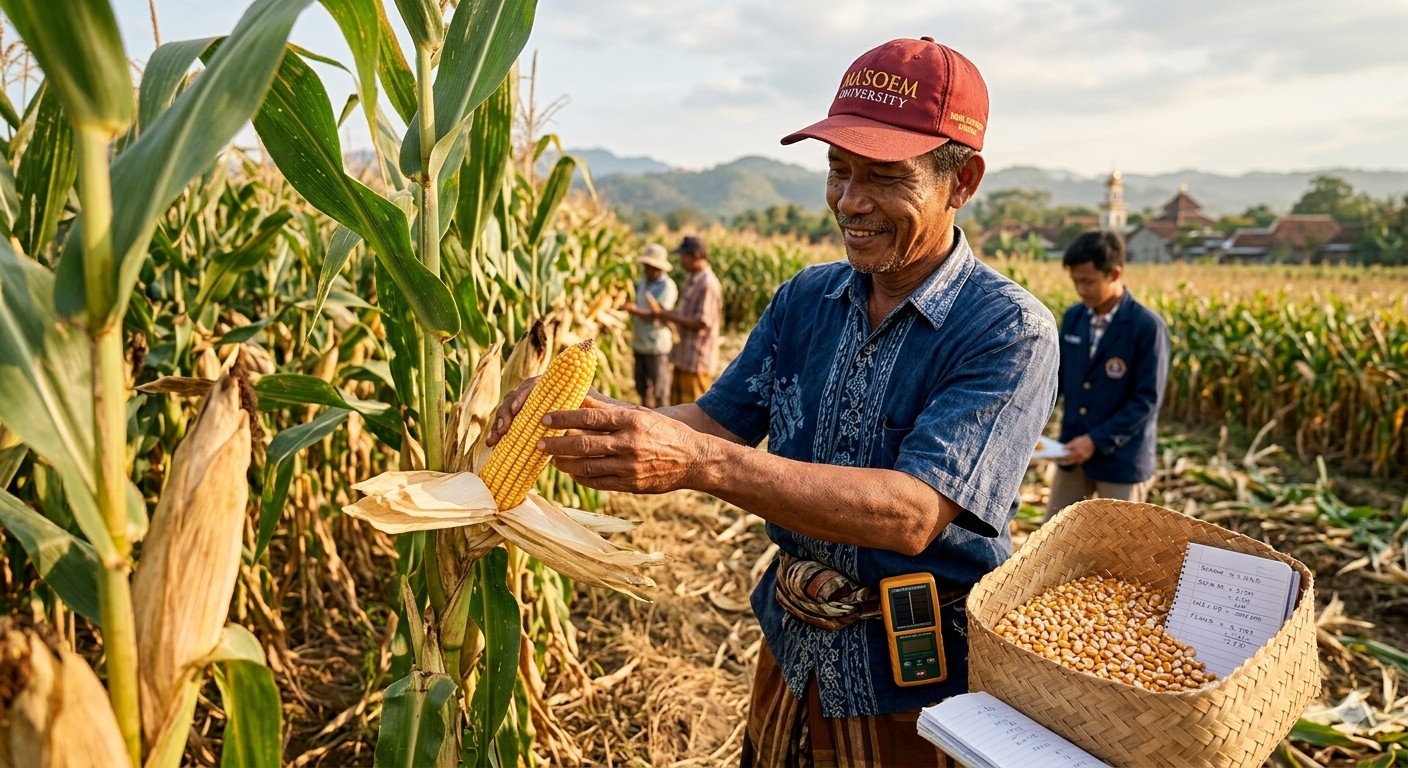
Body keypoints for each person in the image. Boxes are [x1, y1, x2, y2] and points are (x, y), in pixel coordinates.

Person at [490, 37, 1058, 767]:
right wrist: (578, 417)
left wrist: (702, 465)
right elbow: (711, 422)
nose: (850, 202)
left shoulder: (1007, 329)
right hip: (792, 653)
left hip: (918, 683)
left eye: (884, 176)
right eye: (838, 170)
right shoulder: (805, 300)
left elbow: (911, 512)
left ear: (962, 180)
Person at [1045, 230, 1170, 520]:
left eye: (1088, 281)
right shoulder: (1075, 317)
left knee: (1120, 550)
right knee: (1054, 541)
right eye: (1076, 282)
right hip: (1071, 454)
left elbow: (1146, 402)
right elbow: (1060, 379)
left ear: (1115, 273)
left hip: (1121, 462)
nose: (1081, 290)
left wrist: (1096, 440)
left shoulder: (1146, 327)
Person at [646, 235, 723, 405]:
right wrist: (666, 312)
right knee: (680, 411)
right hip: (683, 357)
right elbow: (684, 314)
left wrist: (666, 315)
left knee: (697, 413)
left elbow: (701, 322)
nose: (681, 261)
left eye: (683, 257)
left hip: (696, 360)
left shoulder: (707, 284)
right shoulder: (692, 280)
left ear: (695, 255)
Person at [622, 243, 678, 408]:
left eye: (649, 267)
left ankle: (663, 421)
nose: (645, 270)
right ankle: (647, 416)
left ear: (658, 268)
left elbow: (658, 314)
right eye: (645, 266)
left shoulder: (667, 287)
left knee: (660, 389)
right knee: (642, 387)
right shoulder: (643, 282)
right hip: (640, 343)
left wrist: (633, 310)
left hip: (656, 346)